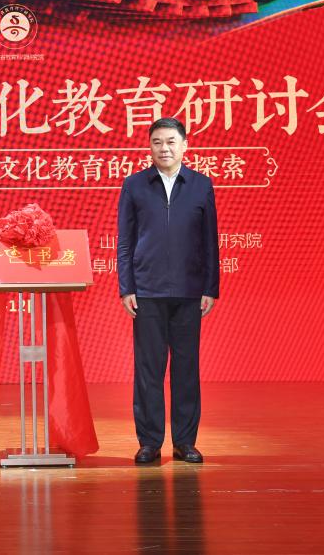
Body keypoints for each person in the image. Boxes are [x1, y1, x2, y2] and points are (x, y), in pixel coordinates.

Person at [117, 117, 220, 464]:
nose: (164, 148)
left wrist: (210, 287)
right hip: (147, 290)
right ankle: (149, 442)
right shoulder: (134, 185)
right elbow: (125, 241)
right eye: (157, 142)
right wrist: (126, 287)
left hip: (190, 291)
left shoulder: (201, 185)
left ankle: (185, 442)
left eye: (171, 141)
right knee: (149, 369)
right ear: (150, 147)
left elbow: (210, 241)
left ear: (185, 146)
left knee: (186, 368)